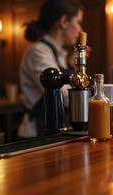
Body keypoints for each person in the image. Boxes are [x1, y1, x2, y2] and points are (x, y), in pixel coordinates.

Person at [18, 0, 84, 139]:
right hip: (37, 134)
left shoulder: (61, 54)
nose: (80, 30)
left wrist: (72, 66)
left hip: (57, 130)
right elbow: (63, 96)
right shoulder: (38, 51)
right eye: (78, 22)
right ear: (64, 21)